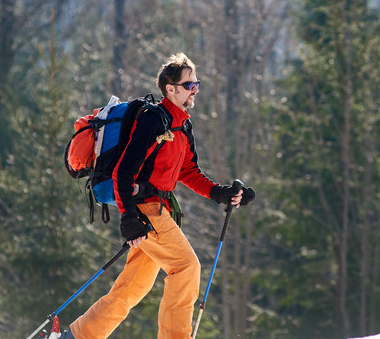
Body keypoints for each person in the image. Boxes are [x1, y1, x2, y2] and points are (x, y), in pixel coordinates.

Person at [63, 53, 255, 339]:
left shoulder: (181, 124)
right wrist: (128, 217)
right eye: (189, 84)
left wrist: (220, 193)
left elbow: (188, 170)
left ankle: (78, 336)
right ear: (171, 89)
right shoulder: (154, 120)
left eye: (196, 83)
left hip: (157, 209)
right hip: (145, 210)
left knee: (132, 288)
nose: (195, 89)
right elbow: (124, 172)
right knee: (186, 267)